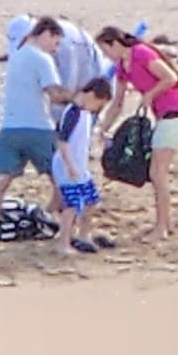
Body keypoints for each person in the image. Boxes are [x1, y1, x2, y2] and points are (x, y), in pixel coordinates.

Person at [0, 17, 73, 246]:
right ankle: (62, 225)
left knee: (1, 179)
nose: (55, 48)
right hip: (38, 126)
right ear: (46, 34)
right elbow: (55, 94)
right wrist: (77, 97)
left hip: (10, 127)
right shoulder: (42, 59)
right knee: (61, 176)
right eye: (56, 43)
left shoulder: (16, 56)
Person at [96, 26, 178, 241]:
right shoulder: (123, 66)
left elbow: (170, 77)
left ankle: (161, 228)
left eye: (106, 51)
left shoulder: (141, 53)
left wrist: (150, 94)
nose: (107, 57)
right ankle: (165, 223)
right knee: (157, 173)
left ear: (114, 44)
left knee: (157, 173)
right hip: (162, 116)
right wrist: (103, 127)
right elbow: (117, 102)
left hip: (174, 112)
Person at [52, 78, 115, 255]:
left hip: (79, 165)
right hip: (68, 165)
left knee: (91, 199)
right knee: (71, 205)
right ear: (92, 96)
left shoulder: (85, 114)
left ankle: (84, 234)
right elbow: (63, 141)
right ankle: (63, 242)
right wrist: (70, 166)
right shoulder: (73, 113)